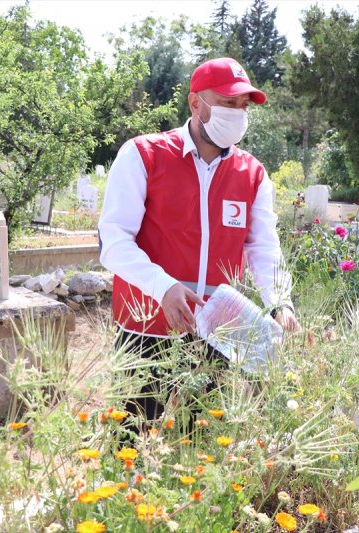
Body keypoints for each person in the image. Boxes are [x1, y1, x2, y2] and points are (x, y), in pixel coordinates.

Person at [98, 57, 299, 425]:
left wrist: (280, 303)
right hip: (146, 327)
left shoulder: (252, 174)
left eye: (243, 106)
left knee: (202, 448)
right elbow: (113, 242)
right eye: (227, 103)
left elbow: (263, 249)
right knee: (130, 438)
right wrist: (163, 287)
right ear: (196, 103)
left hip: (217, 333)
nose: (238, 113)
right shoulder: (144, 156)